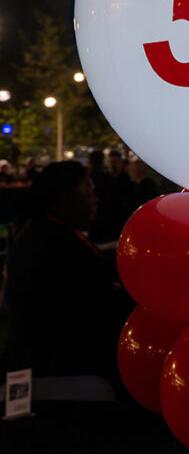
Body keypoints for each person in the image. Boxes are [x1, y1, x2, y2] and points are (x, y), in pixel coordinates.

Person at [3, 161, 133, 386]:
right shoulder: (58, 246)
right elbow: (96, 306)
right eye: (88, 188)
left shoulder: (42, 233)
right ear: (67, 197)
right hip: (63, 376)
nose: (96, 197)